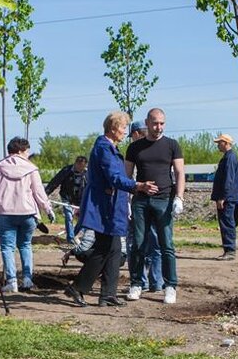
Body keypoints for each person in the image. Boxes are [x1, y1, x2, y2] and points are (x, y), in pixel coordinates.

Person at [64, 113, 157, 307]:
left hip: (111, 206)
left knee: (114, 250)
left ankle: (107, 294)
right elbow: (114, 177)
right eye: (123, 128)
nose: (125, 131)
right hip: (103, 207)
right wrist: (138, 185)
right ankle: (78, 287)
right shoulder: (104, 148)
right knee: (105, 248)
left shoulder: (109, 147)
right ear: (113, 128)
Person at [124, 108, 185, 304]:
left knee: (166, 244)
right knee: (138, 244)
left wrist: (179, 197)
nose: (158, 127)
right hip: (141, 201)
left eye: (162, 123)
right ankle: (136, 283)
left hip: (164, 200)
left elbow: (179, 172)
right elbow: (127, 176)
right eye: (155, 123)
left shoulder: (172, 145)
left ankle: (170, 286)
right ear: (147, 123)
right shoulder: (135, 148)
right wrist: (131, 195)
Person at [0, 137, 53, 293]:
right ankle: (27, 279)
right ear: (21, 151)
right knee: (25, 245)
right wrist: (48, 209)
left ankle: (12, 281)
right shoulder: (31, 169)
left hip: (6, 213)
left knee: (7, 248)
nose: (28, 153)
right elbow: (39, 192)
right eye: (27, 150)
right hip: (28, 213)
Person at [124, 120, 162, 289]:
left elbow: (127, 180)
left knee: (136, 244)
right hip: (159, 202)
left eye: (132, 135)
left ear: (137, 133)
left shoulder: (136, 151)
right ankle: (156, 282)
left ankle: (141, 282)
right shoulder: (160, 148)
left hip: (139, 203)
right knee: (155, 243)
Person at [44, 155, 88, 244]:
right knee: (69, 217)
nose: (81, 169)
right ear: (75, 164)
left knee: (83, 218)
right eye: (79, 166)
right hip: (67, 197)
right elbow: (55, 182)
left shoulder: (88, 173)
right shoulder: (66, 171)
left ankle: (77, 235)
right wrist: (46, 193)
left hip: (81, 199)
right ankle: (70, 239)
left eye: (83, 167)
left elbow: (93, 186)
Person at [211, 134, 238, 260]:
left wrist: (222, 197)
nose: (218, 145)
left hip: (227, 197)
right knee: (226, 222)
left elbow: (228, 179)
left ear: (226, 143)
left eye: (220, 143)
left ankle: (230, 250)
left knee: (227, 222)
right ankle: (228, 249)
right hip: (228, 196)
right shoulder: (229, 157)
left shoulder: (229, 158)